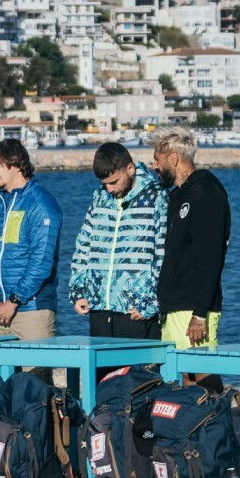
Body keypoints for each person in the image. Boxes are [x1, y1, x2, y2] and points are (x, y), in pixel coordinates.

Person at [69, 142, 168, 339]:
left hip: (137, 311)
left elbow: (163, 253)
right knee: (101, 361)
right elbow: (83, 246)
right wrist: (79, 291)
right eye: (105, 183)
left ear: (130, 169)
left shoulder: (157, 196)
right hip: (98, 308)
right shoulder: (100, 197)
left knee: (139, 361)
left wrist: (151, 303)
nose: (109, 188)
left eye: (114, 182)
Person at [152, 127, 229, 350]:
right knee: (175, 371)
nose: (154, 166)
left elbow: (211, 255)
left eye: (157, 159)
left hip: (194, 310)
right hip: (173, 306)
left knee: (198, 368)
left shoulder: (206, 192)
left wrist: (200, 313)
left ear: (173, 158)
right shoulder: (177, 195)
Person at [0, 139, 61, 352]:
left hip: (31, 311)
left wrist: (13, 301)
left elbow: (41, 262)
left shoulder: (41, 204)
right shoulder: (2, 206)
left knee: (36, 372)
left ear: (15, 164)